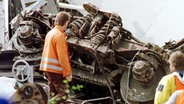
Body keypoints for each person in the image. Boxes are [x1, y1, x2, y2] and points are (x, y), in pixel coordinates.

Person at [39, 11, 72, 104]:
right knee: (63, 95)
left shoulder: (50, 33)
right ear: (66, 23)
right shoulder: (60, 36)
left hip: (47, 68)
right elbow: (62, 57)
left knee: (53, 94)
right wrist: (67, 73)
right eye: (68, 23)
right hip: (55, 70)